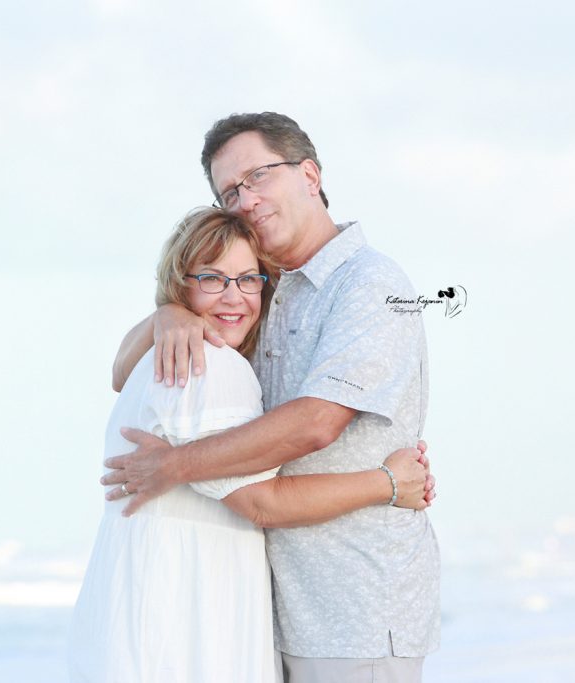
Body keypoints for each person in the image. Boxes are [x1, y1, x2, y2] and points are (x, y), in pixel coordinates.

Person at [105, 113, 439, 682]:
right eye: (230, 191)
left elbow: (316, 423)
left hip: (353, 607)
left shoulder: (369, 284)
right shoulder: (264, 290)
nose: (246, 199)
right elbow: (121, 373)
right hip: (271, 610)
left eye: (258, 176)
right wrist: (168, 312)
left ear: (309, 175)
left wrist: (175, 465)